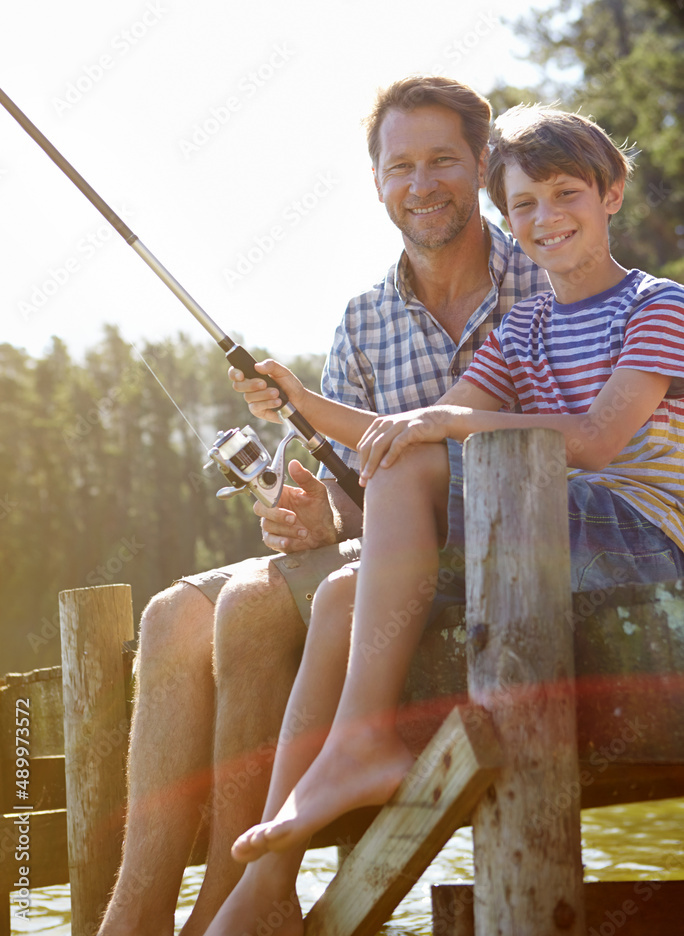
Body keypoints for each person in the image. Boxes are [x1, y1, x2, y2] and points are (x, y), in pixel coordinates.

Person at [206, 103, 684, 936]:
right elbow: (423, 423)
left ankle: (356, 746)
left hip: (642, 541)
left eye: (566, 193)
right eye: (524, 206)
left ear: (610, 195)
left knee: (416, 453)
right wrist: (300, 401)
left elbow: (602, 440)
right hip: (543, 533)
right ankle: (266, 885)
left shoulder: (657, 305)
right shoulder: (525, 326)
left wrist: (449, 426)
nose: (545, 218)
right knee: (342, 595)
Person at [97, 76, 550, 936]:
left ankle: (230, 904)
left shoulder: (546, 263)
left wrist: (344, 516)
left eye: (444, 161)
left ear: (483, 164)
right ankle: (133, 917)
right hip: (381, 544)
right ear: (376, 179)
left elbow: (478, 441)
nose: (422, 184)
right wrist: (319, 519)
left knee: (255, 604)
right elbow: (353, 494)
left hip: (486, 552)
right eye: (400, 165)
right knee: (168, 616)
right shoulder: (361, 319)